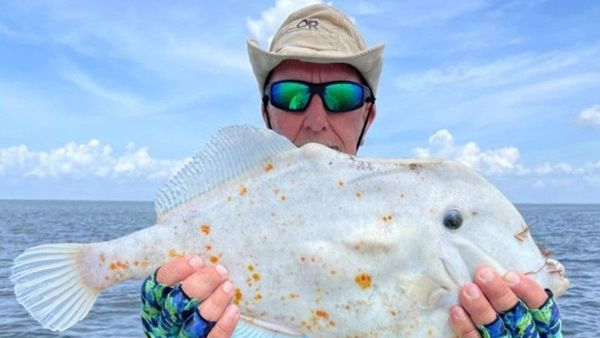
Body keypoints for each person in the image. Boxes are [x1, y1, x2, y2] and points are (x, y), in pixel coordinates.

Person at [140, 4, 562, 338]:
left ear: (369, 115)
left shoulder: (415, 202)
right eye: (291, 95)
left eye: (341, 96)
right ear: (265, 112)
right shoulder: (221, 206)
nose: (317, 118)